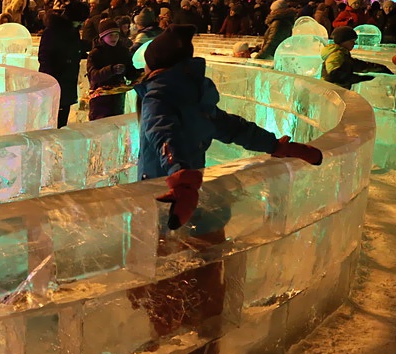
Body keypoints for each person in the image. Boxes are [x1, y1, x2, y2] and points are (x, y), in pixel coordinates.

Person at [135, 24, 323, 230]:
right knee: (205, 241)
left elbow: (161, 132)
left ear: (154, 64)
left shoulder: (157, 96)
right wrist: (274, 145)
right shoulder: (195, 95)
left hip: (166, 188)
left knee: (160, 246)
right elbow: (234, 128)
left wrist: (180, 175)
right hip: (189, 183)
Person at [38, 12, 84, 128]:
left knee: (63, 112)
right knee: (52, 112)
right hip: (54, 78)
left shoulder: (73, 32)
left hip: (68, 78)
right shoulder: (52, 32)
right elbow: (44, 56)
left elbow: (75, 50)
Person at [87, 20, 141, 120]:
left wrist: (141, 73)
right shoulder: (95, 53)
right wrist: (111, 70)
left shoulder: (123, 51)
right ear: (102, 36)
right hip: (100, 100)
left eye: (116, 35)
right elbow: (93, 76)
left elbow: (130, 72)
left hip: (118, 99)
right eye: (110, 35)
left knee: (117, 127)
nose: (114, 38)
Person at [321, 26, 393, 89]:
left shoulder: (342, 54)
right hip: (334, 91)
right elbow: (334, 76)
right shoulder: (336, 55)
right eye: (352, 41)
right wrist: (358, 78)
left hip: (336, 90)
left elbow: (355, 65)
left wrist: (378, 68)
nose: (354, 43)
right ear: (343, 41)